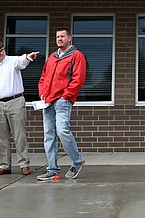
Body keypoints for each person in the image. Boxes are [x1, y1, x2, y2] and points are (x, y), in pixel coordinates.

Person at [0, 41, 39, 176]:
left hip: (15, 101)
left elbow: (22, 61)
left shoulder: (12, 61)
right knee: (1, 135)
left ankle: (24, 164)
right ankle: (4, 165)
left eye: (2, 50)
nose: (1, 53)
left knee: (19, 134)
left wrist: (29, 57)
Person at [37, 28, 87, 182]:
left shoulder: (77, 56)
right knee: (49, 135)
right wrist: (42, 93)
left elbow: (78, 79)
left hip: (62, 100)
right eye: (57, 37)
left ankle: (77, 160)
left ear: (69, 39)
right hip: (48, 101)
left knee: (62, 130)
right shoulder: (52, 57)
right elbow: (43, 77)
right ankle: (52, 169)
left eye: (62, 36)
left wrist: (66, 96)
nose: (59, 39)